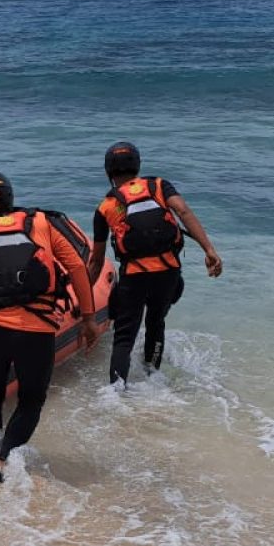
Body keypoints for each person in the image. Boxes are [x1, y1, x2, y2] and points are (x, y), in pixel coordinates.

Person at [0, 172, 99, 483]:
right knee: (31, 399)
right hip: (37, 330)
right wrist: (88, 318)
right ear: (10, 197)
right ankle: (3, 459)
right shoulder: (41, 223)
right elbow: (78, 267)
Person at [89, 141, 223, 386]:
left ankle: (116, 393)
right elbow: (183, 212)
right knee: (155, 321)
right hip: (168, 272)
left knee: (124, 336)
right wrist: (209, 250)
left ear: (109, 171)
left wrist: (84, 297)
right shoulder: (159, 185)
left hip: (133, 276)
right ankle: (154, 377)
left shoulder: (105, 206)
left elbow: (96, 261)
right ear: (137, 164)